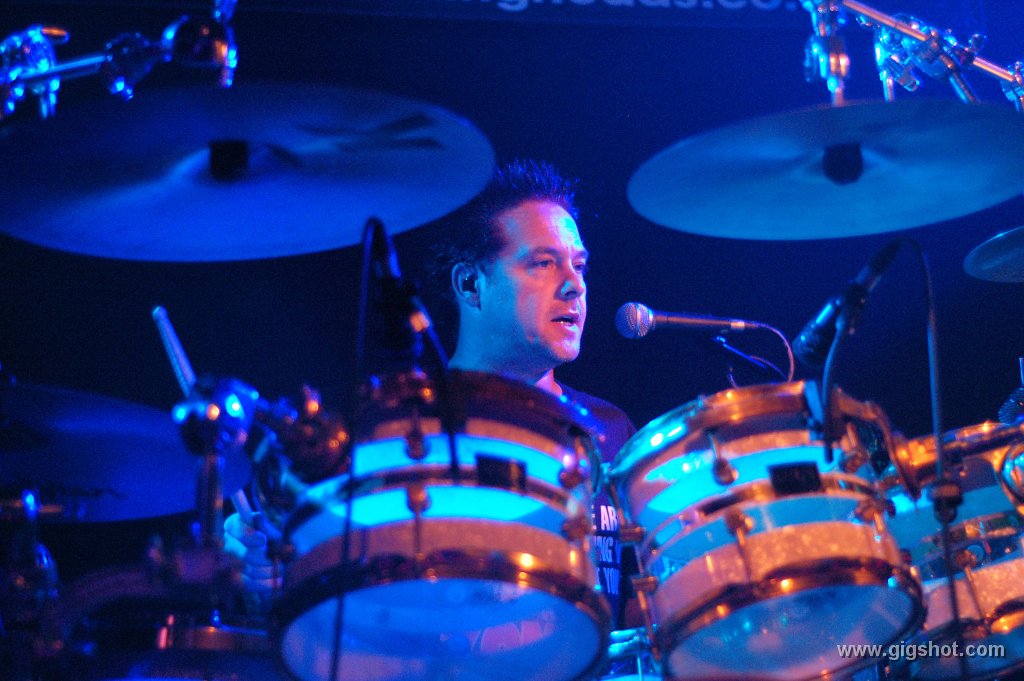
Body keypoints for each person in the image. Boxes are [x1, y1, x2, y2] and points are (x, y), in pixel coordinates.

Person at [225, 159, 639, 663]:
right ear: (470, 286)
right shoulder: (398, 436)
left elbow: (643, 605)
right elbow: (343, 620)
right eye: (543, 263)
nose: (574, 284)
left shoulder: (610, 430)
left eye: (579, 265)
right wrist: (266, 577)